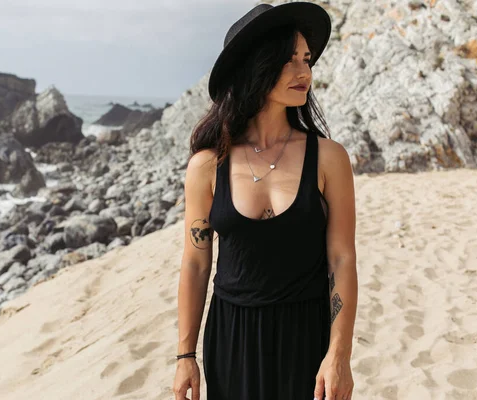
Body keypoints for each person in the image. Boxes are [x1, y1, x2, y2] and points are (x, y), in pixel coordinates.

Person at [173, 3, 358, 400]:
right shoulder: (207, 166)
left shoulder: (329, 158)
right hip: (231, 338)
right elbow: (195, 261)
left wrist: (339, 355)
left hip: (306, 338)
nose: (304, 72)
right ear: (255, 65)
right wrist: (185, 355)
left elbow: (342, 258)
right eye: (289, 60)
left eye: (307, 60)